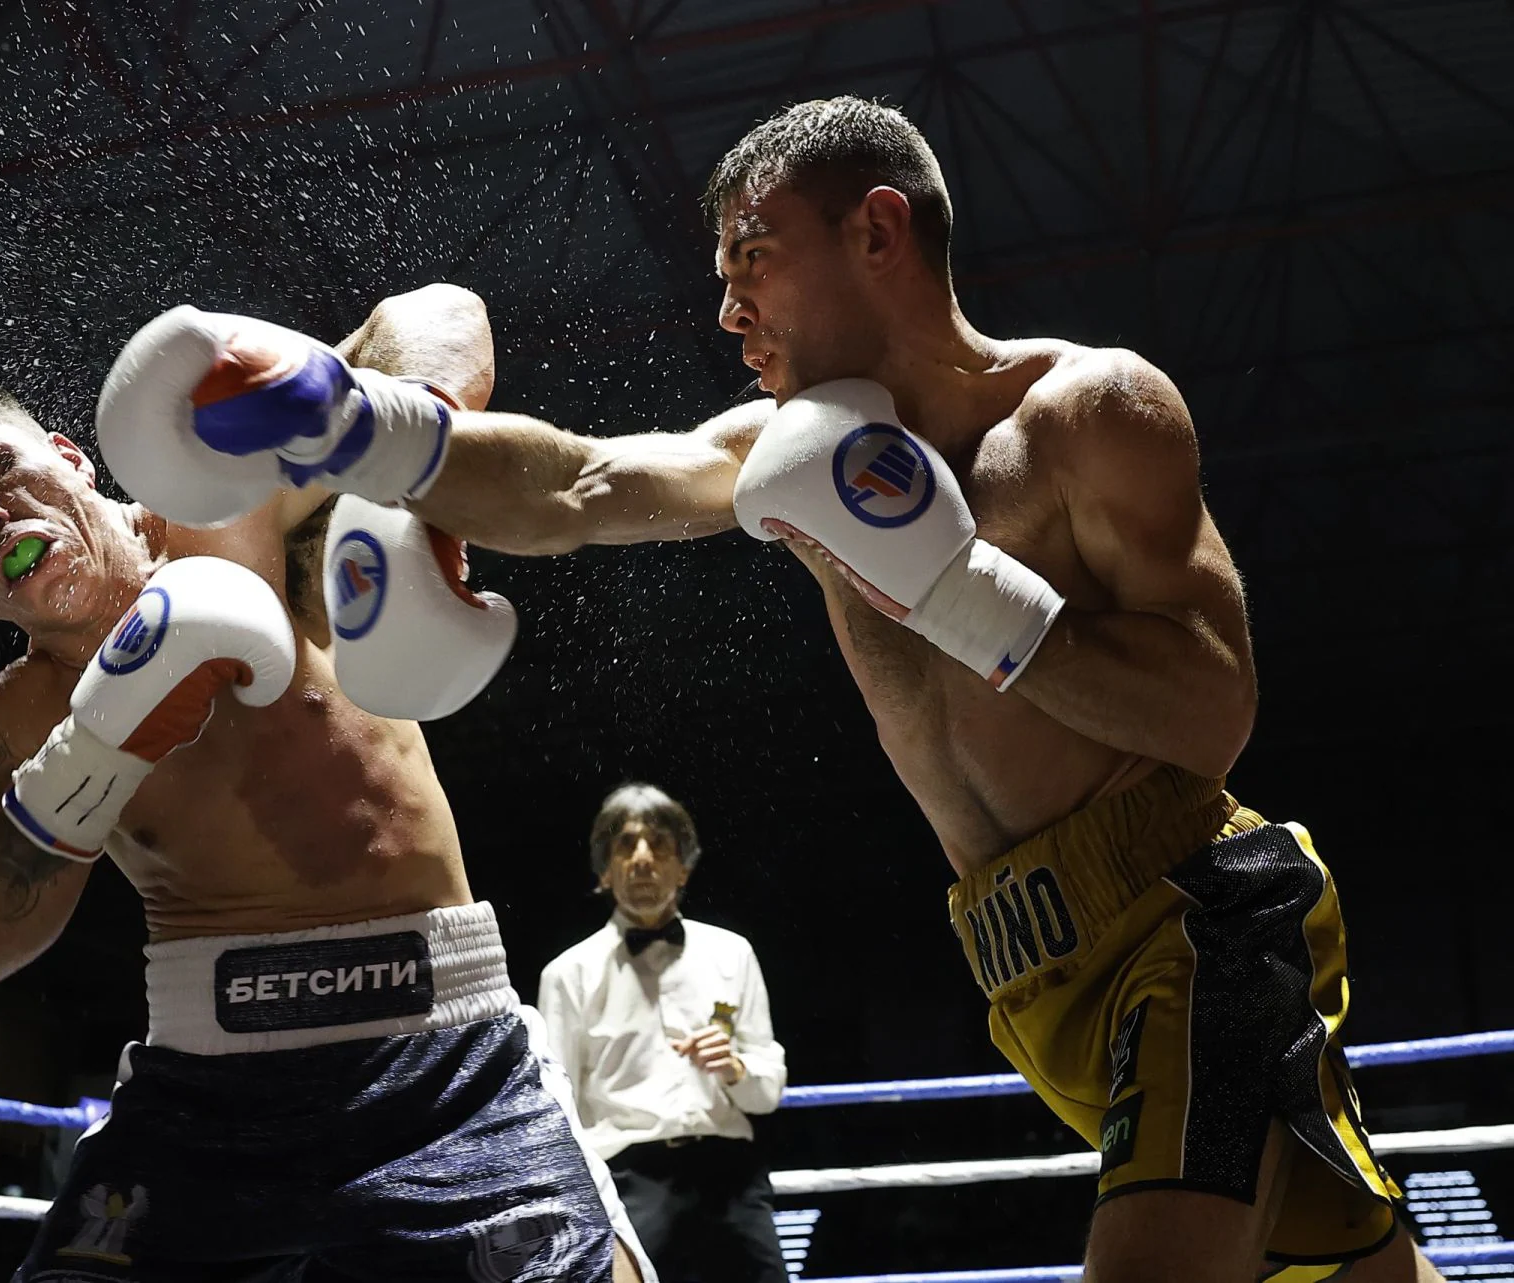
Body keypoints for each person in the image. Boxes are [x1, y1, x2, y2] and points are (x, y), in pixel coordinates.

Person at [96, 98, 1438, 1283]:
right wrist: (355, 426)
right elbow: (582, 483)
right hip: (1034, 963)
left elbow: (1214, 717)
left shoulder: (1091, 412)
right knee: (1351, 1263)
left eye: (754, 255)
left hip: (1193, 922)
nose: (729, 308)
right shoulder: (794, 448)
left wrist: (962, 586)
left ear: (877, 231)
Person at [0, 284, 652, 1283]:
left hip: (446, 1057)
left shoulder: (232, 503)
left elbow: (436, 312)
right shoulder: (16, 719)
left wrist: (406, 455)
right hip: (205, 1097)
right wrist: (93, 752)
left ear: (67, 454)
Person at [538, 784, 787, 1283]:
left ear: (684, 867)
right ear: (604, 870)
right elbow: (556, 1111)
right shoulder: (567, 974)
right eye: (626, 845)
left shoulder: (732, 953)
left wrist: (735, 1068)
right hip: (628, 1180)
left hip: (729, 1172)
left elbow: (767, 1093)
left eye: (660, 845)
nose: (643, 860)